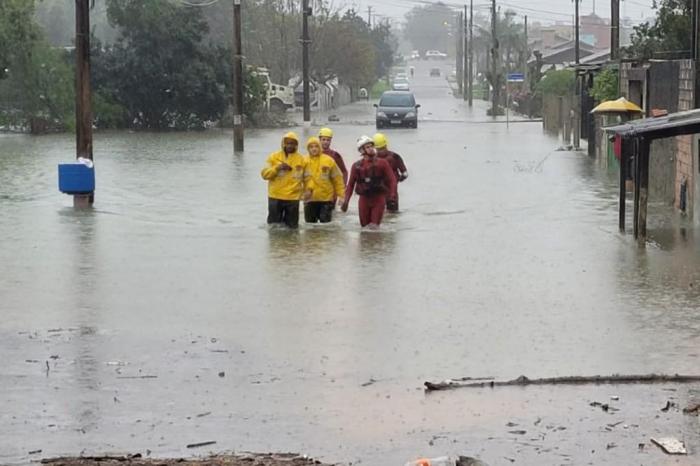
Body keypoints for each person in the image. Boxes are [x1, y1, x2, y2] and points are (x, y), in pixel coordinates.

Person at [341, 136, 397, 228]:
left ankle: (376, 242)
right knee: (364, 229)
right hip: (364, 200)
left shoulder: (382, 163)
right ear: (361, 151)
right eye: (367, 147)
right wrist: (346, 201)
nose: (371, 149)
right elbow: (350, 185)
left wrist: (392, 196)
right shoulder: (356, 166)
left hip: (378, 199)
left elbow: (392, 180)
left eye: (371, 146)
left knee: (374, 227)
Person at [260, 132, 307, 228]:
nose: (290, 145)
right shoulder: (273, 157)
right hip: (275, 197)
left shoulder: (302, 160)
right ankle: (276, 243)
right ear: (283, 143)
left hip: (293, 198)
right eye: (288, 143)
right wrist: (277, 168)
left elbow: (307, 178)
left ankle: (290, 243)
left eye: (292, 143)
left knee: (292, 229)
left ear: (296, 145)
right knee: (273, 228)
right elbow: (264, 175)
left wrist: (307, 191)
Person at [303, 137, 345, 224]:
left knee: (325, 228)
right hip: (309, 200)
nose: (314, 149)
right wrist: (299, 195)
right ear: (308, 149)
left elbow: (337, 179)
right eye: (311, 147)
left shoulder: (329, 161)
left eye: (316, 146)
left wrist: (341, 195)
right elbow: (296, 179)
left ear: (320, 147)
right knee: (310, 228)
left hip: (326, 200)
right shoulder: (303, 161)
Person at [373, 132, 408, 212]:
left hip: (391, 192)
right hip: (378, 192)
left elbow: (405, 173)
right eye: (379, 149)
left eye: (382, 148)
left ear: (386, 146)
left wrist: (397, 180)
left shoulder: (395, 157)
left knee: (392, 215)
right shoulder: (372, 159)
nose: (381, 151)